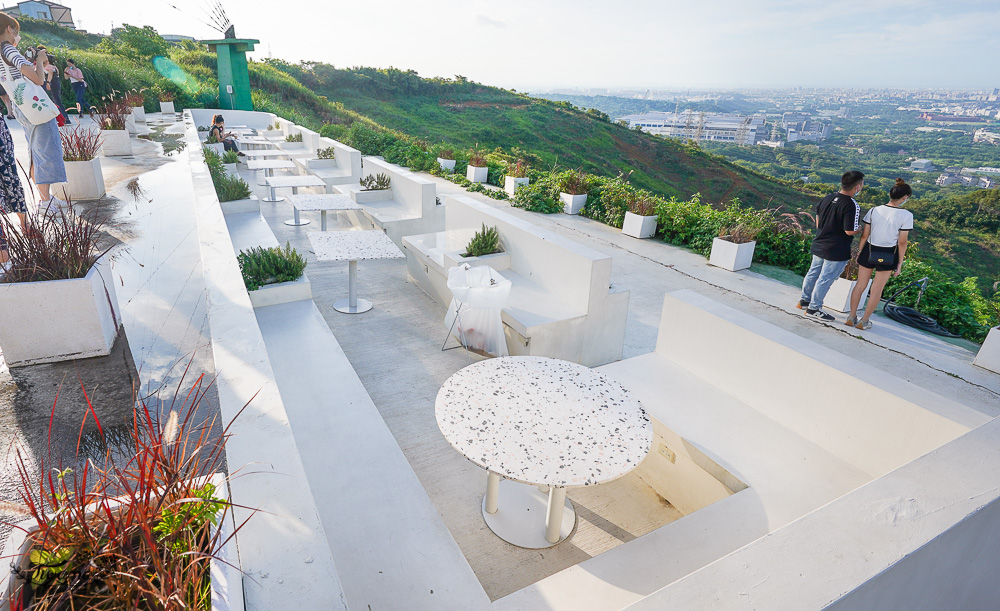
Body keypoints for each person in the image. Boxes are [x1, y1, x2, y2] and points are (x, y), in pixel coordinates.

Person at [0, 15, 66, 209]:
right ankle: (45, 201)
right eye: (16, 30)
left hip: (22, 106)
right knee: (46, 151)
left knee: (36, 151)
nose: (17, 35)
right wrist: (39, 60)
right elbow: (38, 79)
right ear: (10, 30)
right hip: (34, 107)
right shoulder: (9, 49)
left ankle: (45, 198)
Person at [846, 178, 914, 330]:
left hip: (869, 250)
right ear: (904, 198)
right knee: (877, 289)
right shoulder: (906, 216)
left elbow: (864, 235)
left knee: (860, 285)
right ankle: (864, 321)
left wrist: (859, 252)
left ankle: (851, 317)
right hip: (888, 254)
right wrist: (900, 263)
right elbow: (902, 242)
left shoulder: (874, 210)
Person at [797, 170, 864, 321]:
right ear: (857, 187)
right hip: (836, 249)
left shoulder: (828, 197)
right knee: (825, 279)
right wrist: (861, 229)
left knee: (813, 273)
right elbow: (849, 231)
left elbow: (818, 222)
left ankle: (804, 301)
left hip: (820, 243)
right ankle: (814, 308)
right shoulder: (851, 205)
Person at [43, 52, 70, 125]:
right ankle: (64, 118)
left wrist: (48, 82)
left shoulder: (48, 67)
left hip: (52, 84)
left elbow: (50, 73)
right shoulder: (54, 67)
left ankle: (65, 119)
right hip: (56, 84)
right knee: (57, 101)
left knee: (56, 101)